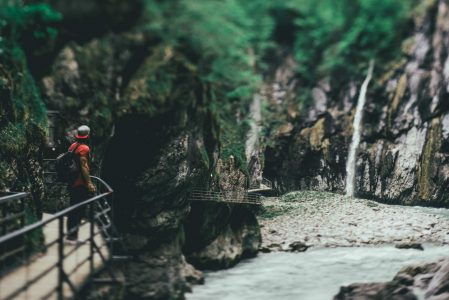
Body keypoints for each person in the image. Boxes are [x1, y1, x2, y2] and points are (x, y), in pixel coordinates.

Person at [66, 125, 96, 243]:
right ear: (87, 136)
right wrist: (89, 183)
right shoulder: (84, 148)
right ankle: (73, 236)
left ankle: (71, 235)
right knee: (79, 209)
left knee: (73, 208)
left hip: (72, 181)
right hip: (79, 183)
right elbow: (84, 166)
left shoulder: (73, 146)